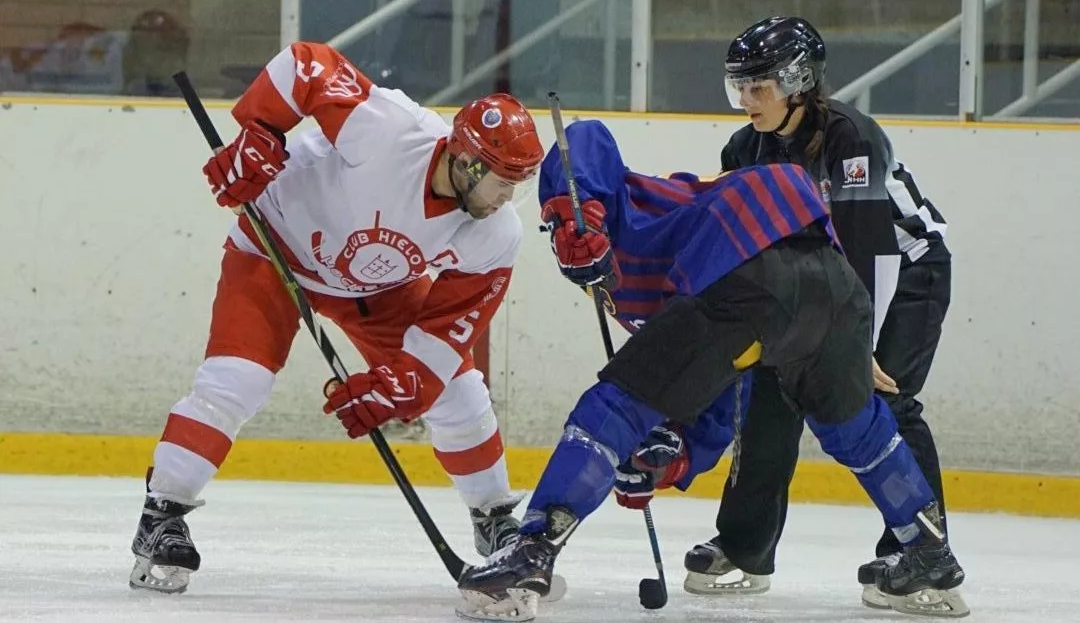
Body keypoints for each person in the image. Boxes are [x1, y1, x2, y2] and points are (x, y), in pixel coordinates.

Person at [453, 118, 964, 622]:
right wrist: (667, 459)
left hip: (746, 255)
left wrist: (574, 215)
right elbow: (725, 388)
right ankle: (927, 551)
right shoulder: (671, 305)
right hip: (827, 279)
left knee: (607, 413)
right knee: (856, 427)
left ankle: (531, 551)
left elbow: (580, 140)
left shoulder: (625, 210)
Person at [128, 41, 545, 594]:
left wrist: (408, 384)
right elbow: (306, 64)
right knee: (236, 381)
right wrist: (261, 131)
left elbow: (449, 330)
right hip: (276, 251)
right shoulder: (391, 130)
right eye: (501, 180)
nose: (508, 196)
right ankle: (161, 517)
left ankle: (494, 520)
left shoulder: (496, 233)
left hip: (379, 288)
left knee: (458, 392)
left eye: (519, 182)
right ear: (467, 161)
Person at [684, 15, 957, 616]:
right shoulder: (743, 148)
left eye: (759, 87)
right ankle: (744, 547)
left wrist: (858, 348)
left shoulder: (850, 138)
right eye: (740, 88)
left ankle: (919, 553)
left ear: (798, 82)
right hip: (810, 280)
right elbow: (746, 240)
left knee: (884, 400)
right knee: (768, 395)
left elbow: (868, 245)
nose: (746, 102)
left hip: (906, 274)